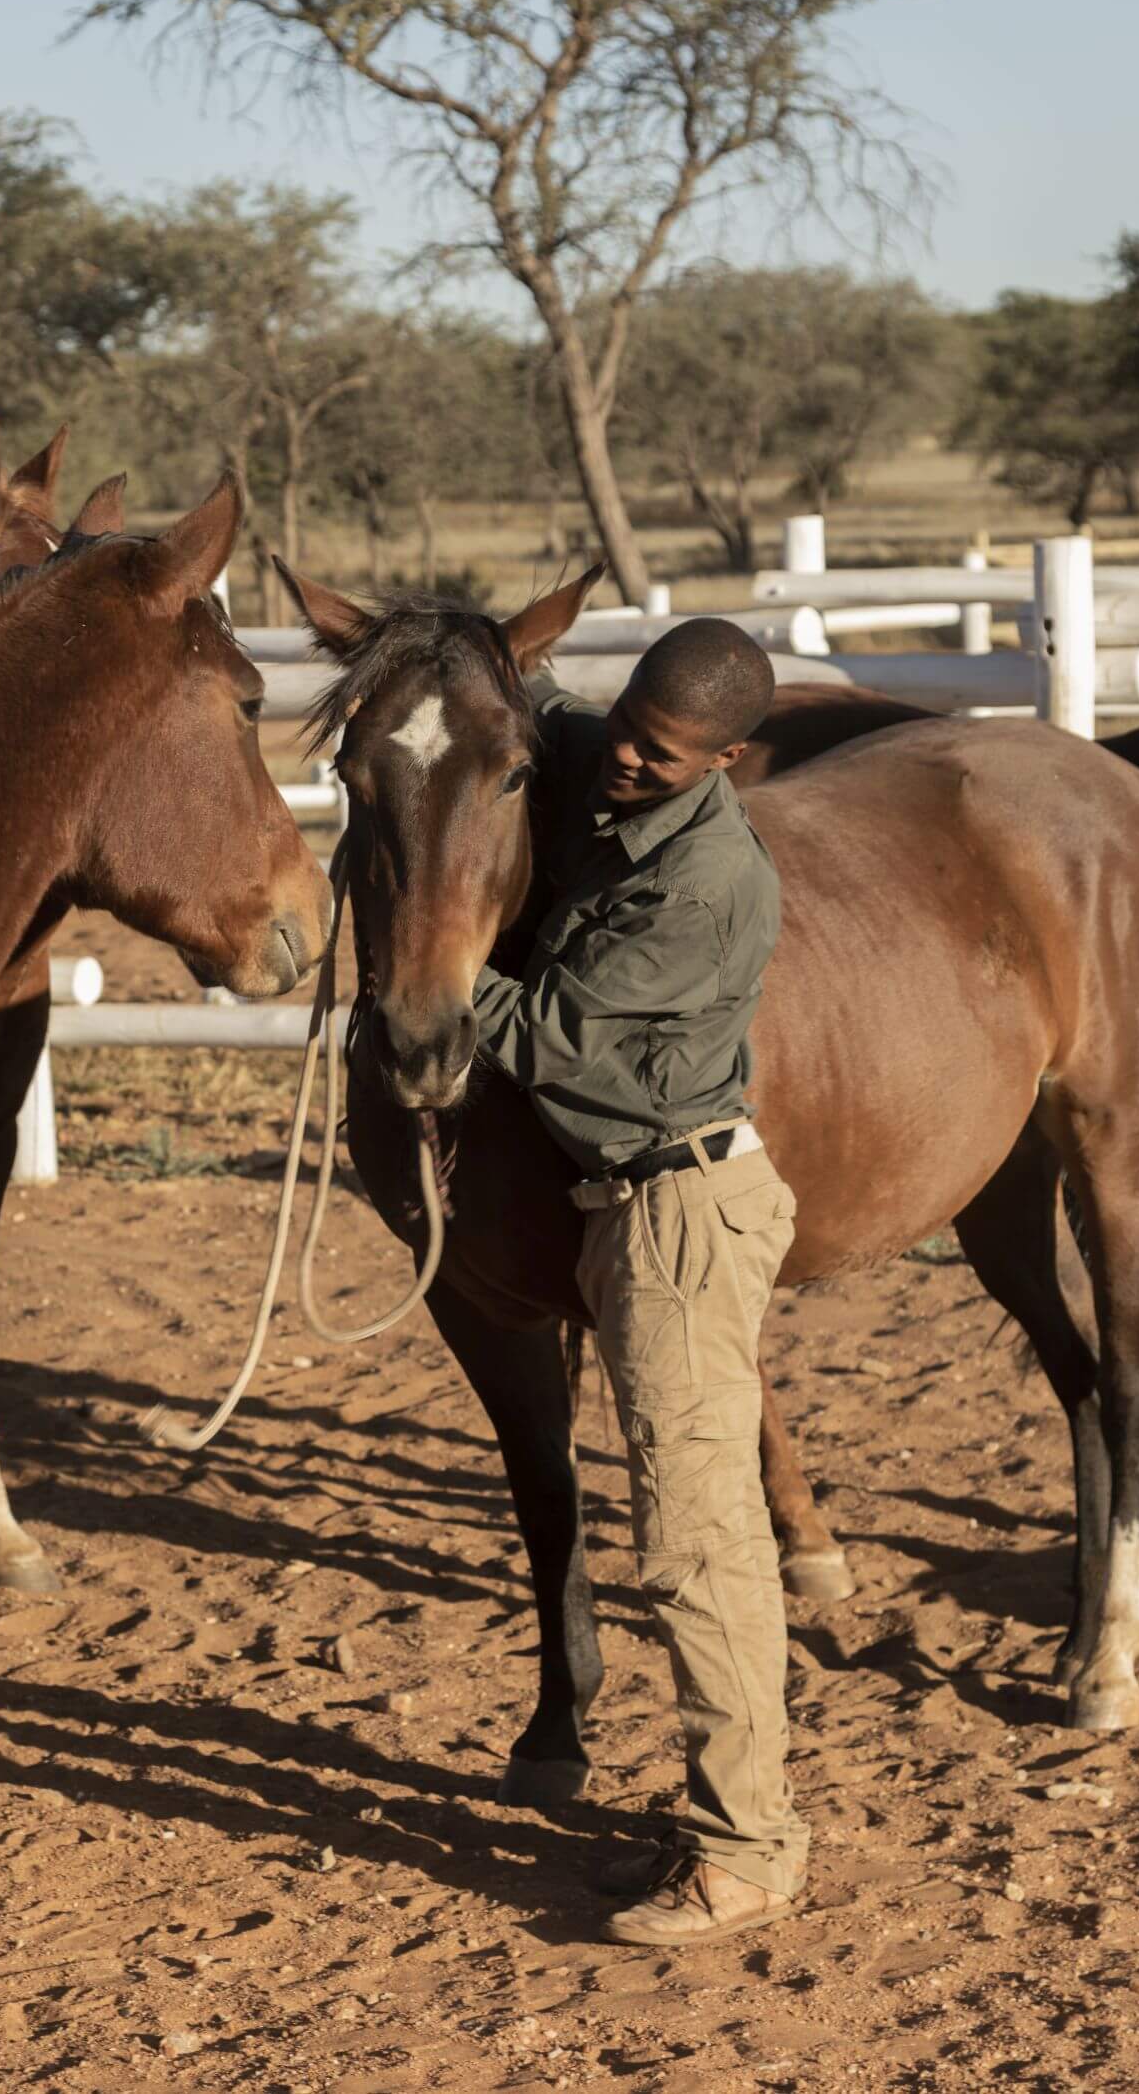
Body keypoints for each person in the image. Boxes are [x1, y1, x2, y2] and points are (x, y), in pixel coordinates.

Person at [471, 615, 806, 1947]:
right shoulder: (616, 757)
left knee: (696, 1539)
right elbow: (533, 710)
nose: (618, 762)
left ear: (730, 758)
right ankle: (733, 1819)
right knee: (699, 1526)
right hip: (645, 1204)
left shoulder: (711, 884)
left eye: (658, 757)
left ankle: (747, 1853)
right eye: (621, 728)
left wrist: (428, 978)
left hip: (681, 1212)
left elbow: (553, 1036)